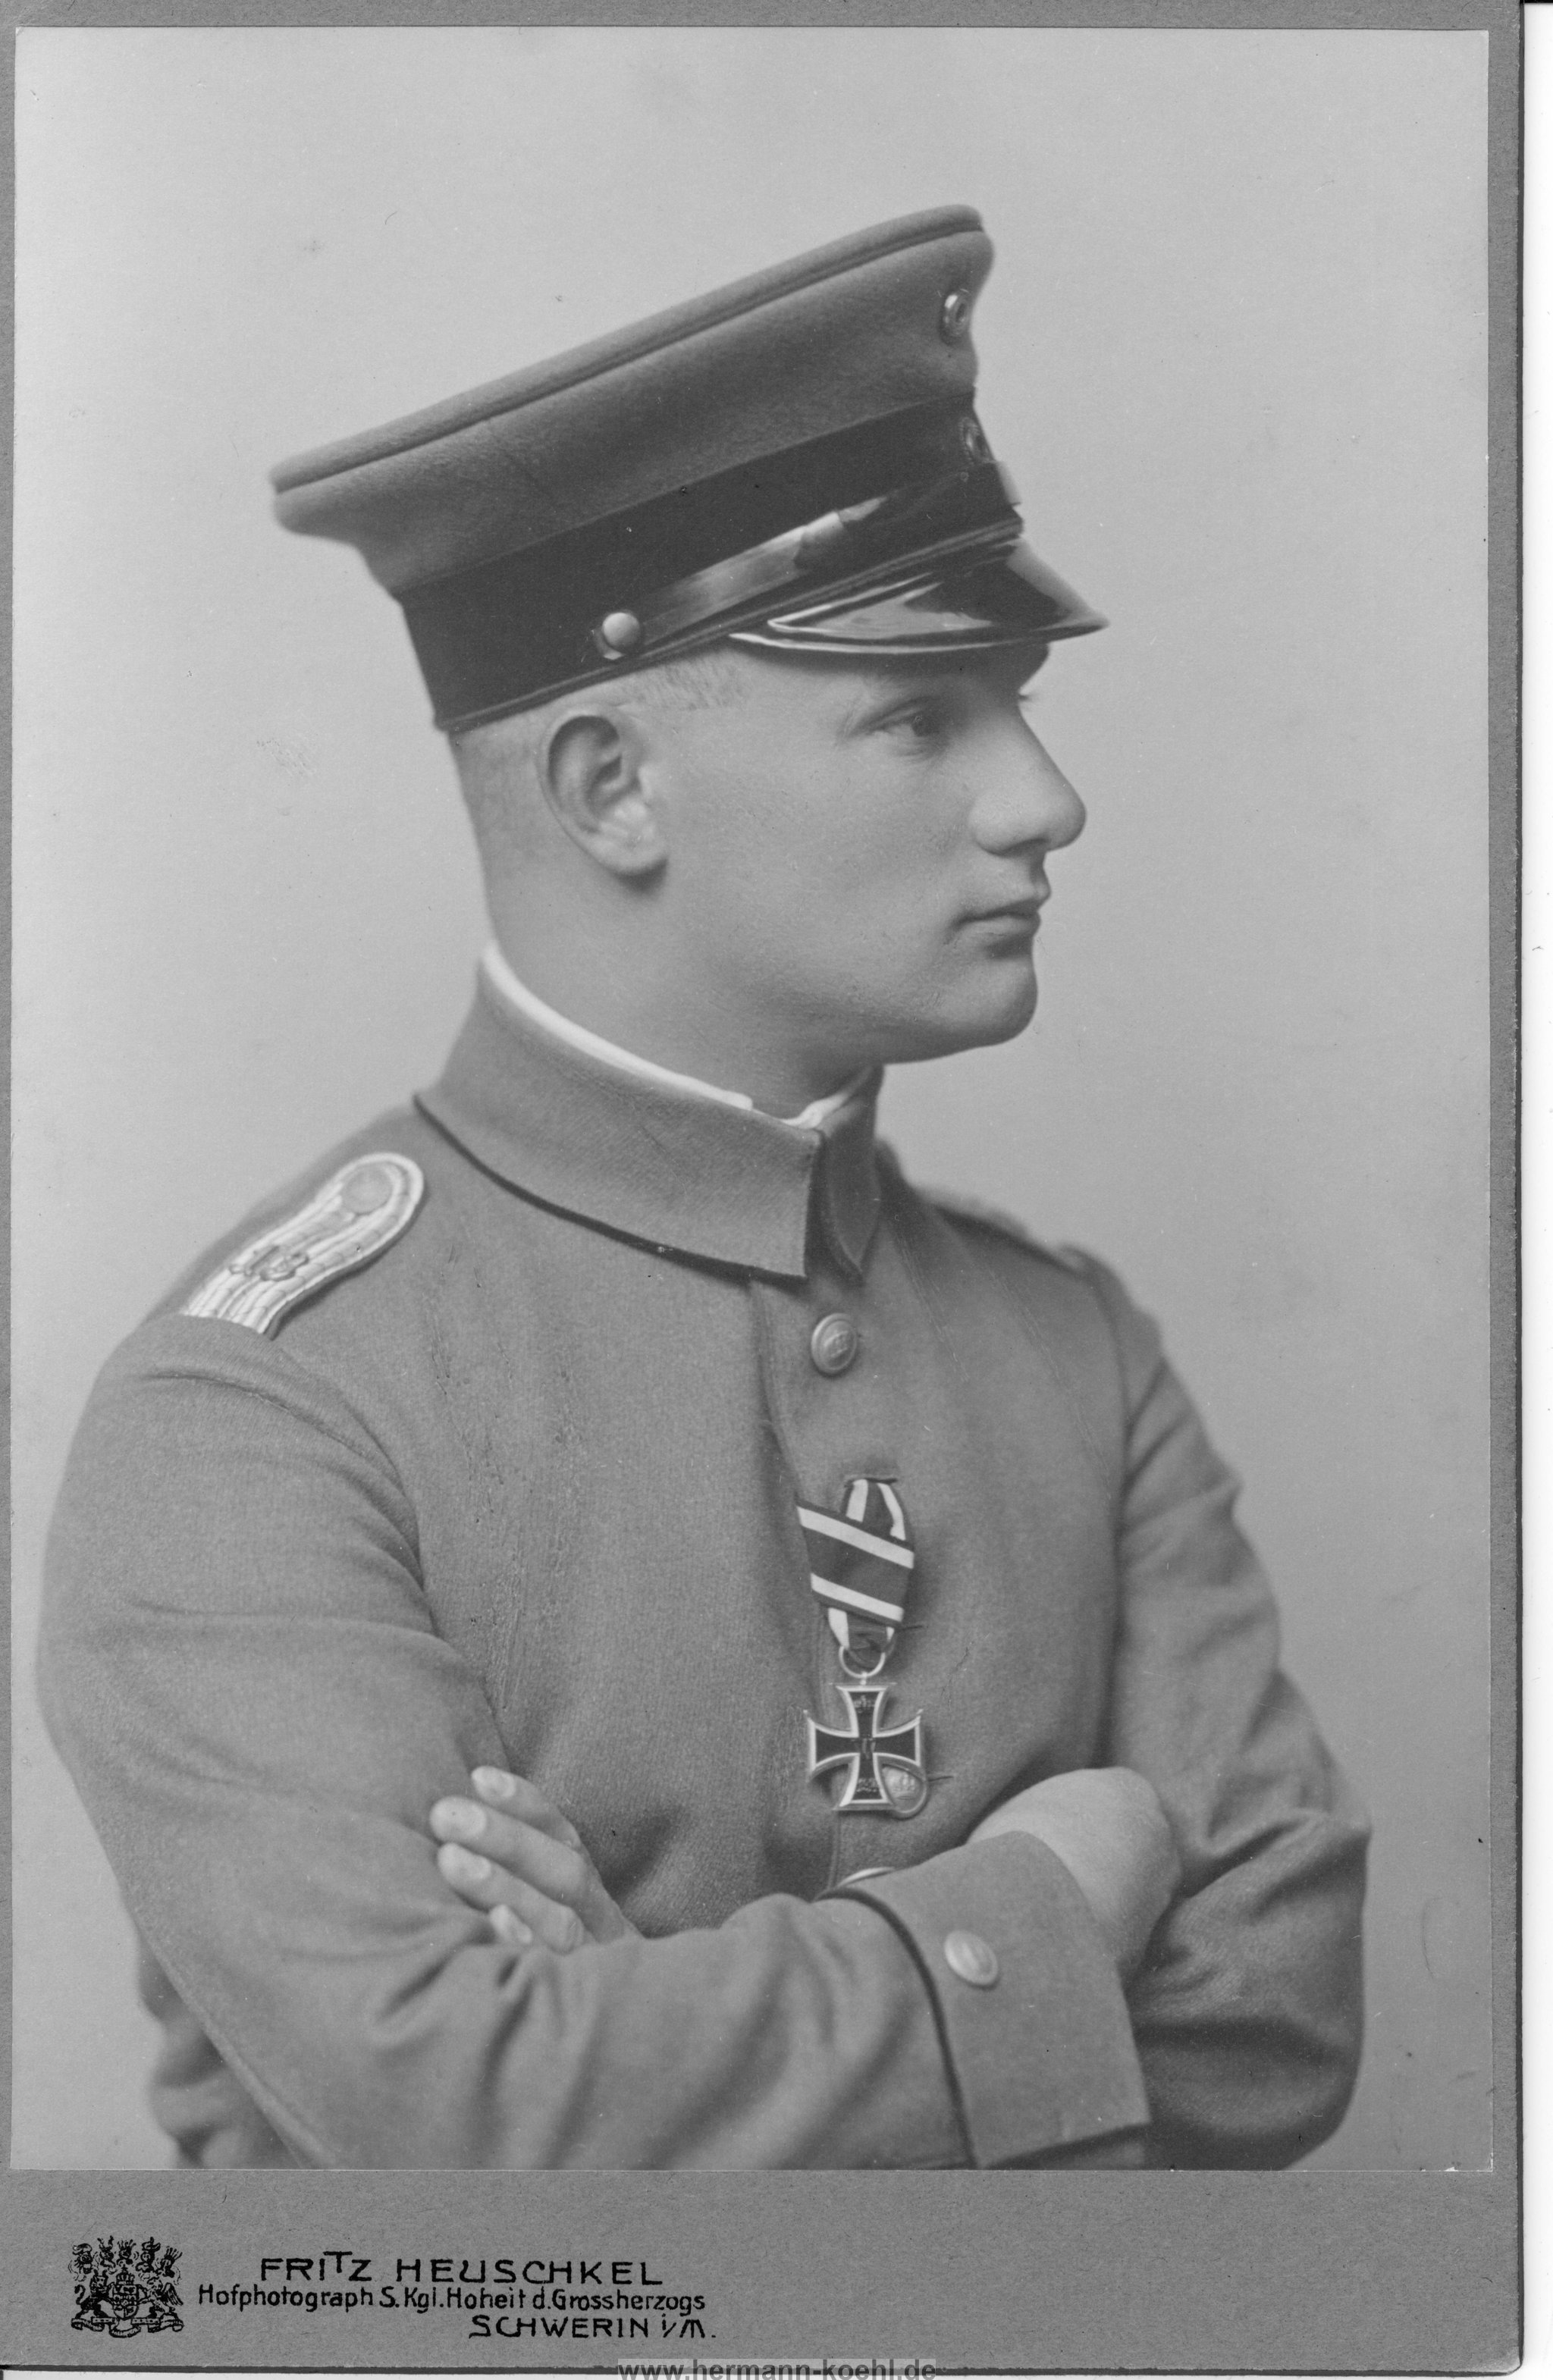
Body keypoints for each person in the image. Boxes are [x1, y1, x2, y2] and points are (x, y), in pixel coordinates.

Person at [39, 205, 1367, 2171]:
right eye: (921, 713)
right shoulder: (257, 1409)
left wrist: (647, 2028)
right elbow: (460, 2118)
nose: (1045, 798)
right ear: (613, 790)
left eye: (1016, 703)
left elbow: (1275, 2024)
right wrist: (1053, 1902)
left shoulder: (1074, 1353)